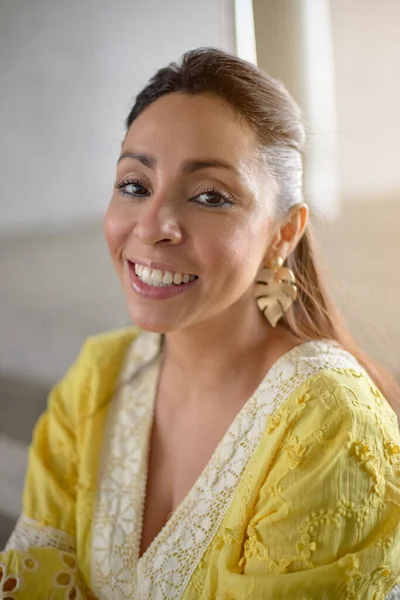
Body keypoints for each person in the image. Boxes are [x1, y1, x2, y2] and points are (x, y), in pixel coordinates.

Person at [1, 48, 399, 600]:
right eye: (135, 185)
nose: (153, 226)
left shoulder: (328, 422)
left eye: (210, 196)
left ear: (284, 233)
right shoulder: (98, 377)